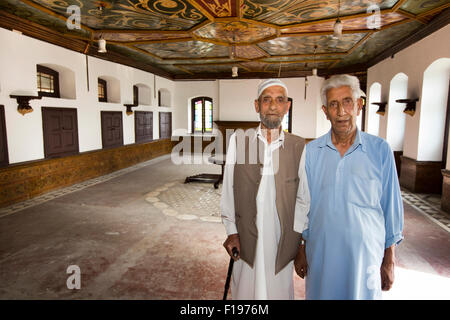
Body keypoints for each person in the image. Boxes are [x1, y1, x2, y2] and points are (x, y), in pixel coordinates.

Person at [294, 74, 404, 300]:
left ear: (359, 106)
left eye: (347, 102)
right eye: (333, 104)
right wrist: (301, 248)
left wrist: (390, 258)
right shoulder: (312, 151)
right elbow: (304, 203)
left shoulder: (380, 150)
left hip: (365, 256)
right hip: (322, 253)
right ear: (325, 111)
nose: (341, 111)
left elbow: (391, 205)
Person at [221, 79, 310, 299]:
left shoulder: (299, 146)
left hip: (282, 238)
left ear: (287, 106)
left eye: (279, 100)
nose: (272, 106)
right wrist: (231, 231)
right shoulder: (238, 141)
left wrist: (299, 243)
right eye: (266, 100)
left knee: (278, 291)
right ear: (257, 105)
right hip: (246, 234)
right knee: (244, 290)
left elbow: (303, 198)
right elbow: (228, 190)